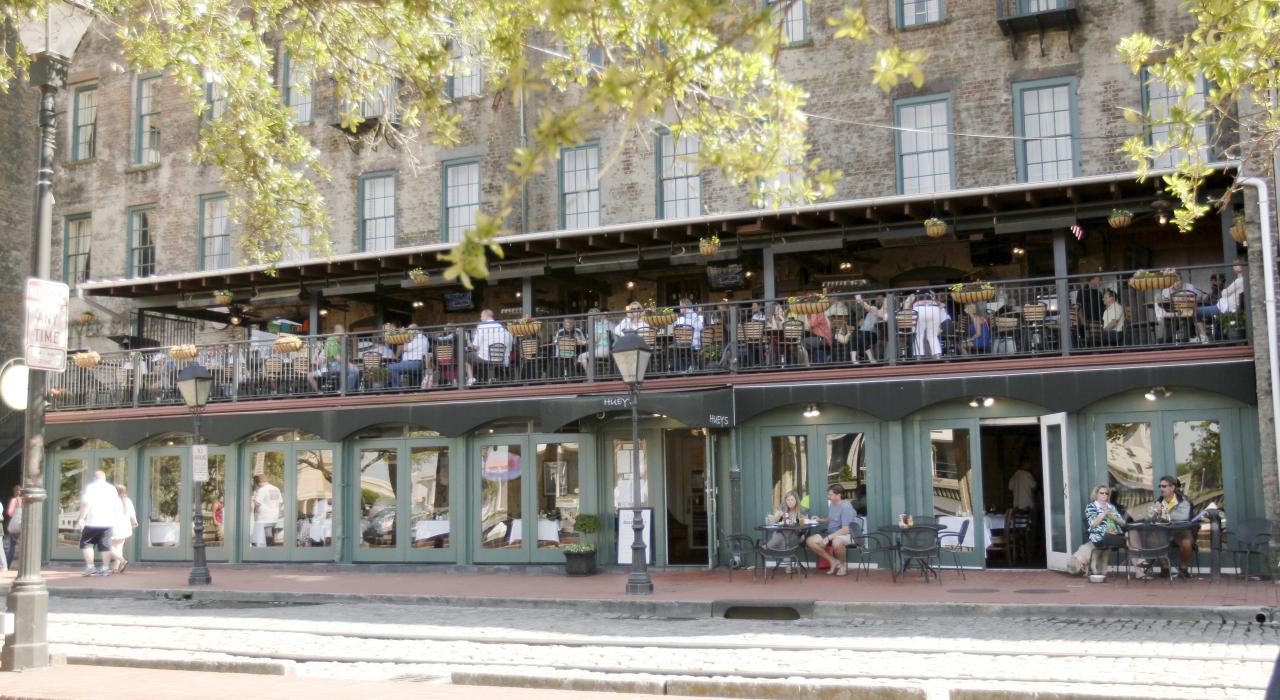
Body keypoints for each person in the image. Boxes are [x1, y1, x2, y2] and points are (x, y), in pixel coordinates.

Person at [1069, 484, 1126, 576]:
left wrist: (1113, 517)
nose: (1104, 495)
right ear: (1096, 494)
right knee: (1120, 540)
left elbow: (1123, 523)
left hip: (1115, 535)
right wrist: (1104, 514)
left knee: (1130, 541)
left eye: (1106, 493)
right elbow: (1093, 524)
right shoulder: (1091, 507)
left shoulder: (1111, 507)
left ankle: (1140, 568)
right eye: (1102, 493)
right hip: (1099, 536)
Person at [805, 485, 858, 576]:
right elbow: (831, 519)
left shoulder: (846, 507)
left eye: (831, 495)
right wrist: (820, 520)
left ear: (839, 495)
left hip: (845, 534)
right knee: (810, 541)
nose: (828, 497)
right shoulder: (833, 504)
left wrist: (829, 538)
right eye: (828, 494)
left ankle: (842, 565)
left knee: (836, 542)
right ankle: (833, 561)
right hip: (831, 532)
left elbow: (845, 529)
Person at [77, 470, 121, 576]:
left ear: (94, 478)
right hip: (108, 521)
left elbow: (87, 504)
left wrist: (81, 518)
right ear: (104, 478)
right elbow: (116, 505)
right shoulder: (111, 489)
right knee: (105, 545)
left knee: (86, 543)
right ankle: (105, 568)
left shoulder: (91, 487)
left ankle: (90, 566)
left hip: (93, 521)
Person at [1150, 475, 1193, 578]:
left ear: (1172, 487)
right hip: (1163, 531)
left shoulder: (1183, 500)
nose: (1161, 488)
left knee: (1187, 543)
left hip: (1180, 531)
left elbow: (1183, 516)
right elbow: (1150, 518)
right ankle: (1165, 567)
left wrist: (1164, 515)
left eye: (1164, 486)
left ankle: (1183, 569)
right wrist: (1155, 513)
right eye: (1160, 486)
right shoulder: (1158, 501)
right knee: (1152, 540)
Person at [1195, 257, 1246, 342]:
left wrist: (1225, 291)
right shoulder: (1242, 280)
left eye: (1237, 264)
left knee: (1196, 312)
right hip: (1226, 307)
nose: (1234, 266)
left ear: (1241, 267)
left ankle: (1204, 337)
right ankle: (1205, 336)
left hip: (1224, 307)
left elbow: (1224, 293)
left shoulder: (1239, 281)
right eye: (1234, 265)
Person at [466, 309, 514, 385]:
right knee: (479, 357)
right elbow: (510, 348)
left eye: (481, 316)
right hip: (502, 359)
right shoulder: (504, 329)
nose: (481, 318)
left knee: (467, 357)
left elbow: (475, 346)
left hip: (486, 359)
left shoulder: (481, 327)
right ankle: (488, 379)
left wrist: (470, 347)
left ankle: (472, 379)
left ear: (485, 316)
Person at [109, 484, 138, 573]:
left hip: (114, 527)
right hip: (125, 527)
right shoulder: (128, 501)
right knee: (119, 547)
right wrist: (134, 522)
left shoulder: (112, 501)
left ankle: (122, 560)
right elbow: (132, 515)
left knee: (106, 546)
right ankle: (116, 568)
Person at [251, 475, 284, 547]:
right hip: (274, 516)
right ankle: (270, 550)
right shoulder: (276, 489)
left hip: (263, 517)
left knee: (262, 539)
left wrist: (253, 498)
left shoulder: (262, 490)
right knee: (270, 535)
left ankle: (267, 553)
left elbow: (257, 503)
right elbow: (280, 503)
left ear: (258, 483)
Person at [578, 308, 612, 374]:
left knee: (581, 357)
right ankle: (592, 374)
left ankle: (589, 375)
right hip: (603, 349)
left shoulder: (597, 326)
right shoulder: (600, 325)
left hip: (602, 350)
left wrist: (583, 342)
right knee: (585, 356)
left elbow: (595, 339)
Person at [854, 295, 883, 363]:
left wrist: (860, 300)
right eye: (877, 300)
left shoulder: (876, 310)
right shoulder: (867, 313)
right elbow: (859, 324)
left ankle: (862, 356)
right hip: (864, 331)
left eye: (880, 300)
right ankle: (864, 357)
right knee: (856, 336)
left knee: (860, 337)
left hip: (871, 332)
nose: (878, 301)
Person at [5, 484, 21, 568]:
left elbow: (9, 513)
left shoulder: (14, 500)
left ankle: (7, 564)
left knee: (12, 545)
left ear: (14, 492)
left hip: (15, 526)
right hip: (23, 526)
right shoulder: (24, 500)